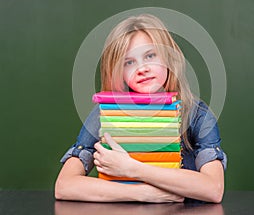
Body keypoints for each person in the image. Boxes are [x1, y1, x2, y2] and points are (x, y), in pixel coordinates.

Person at [55, 14, 227, 203]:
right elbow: (64, 186)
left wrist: (131, 168)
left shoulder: (197, 114)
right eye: (129, 62)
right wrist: (144, 193)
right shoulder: (105, 113)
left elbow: (213, 189)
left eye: (150, 56)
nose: (141, 68)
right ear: (119, 72)